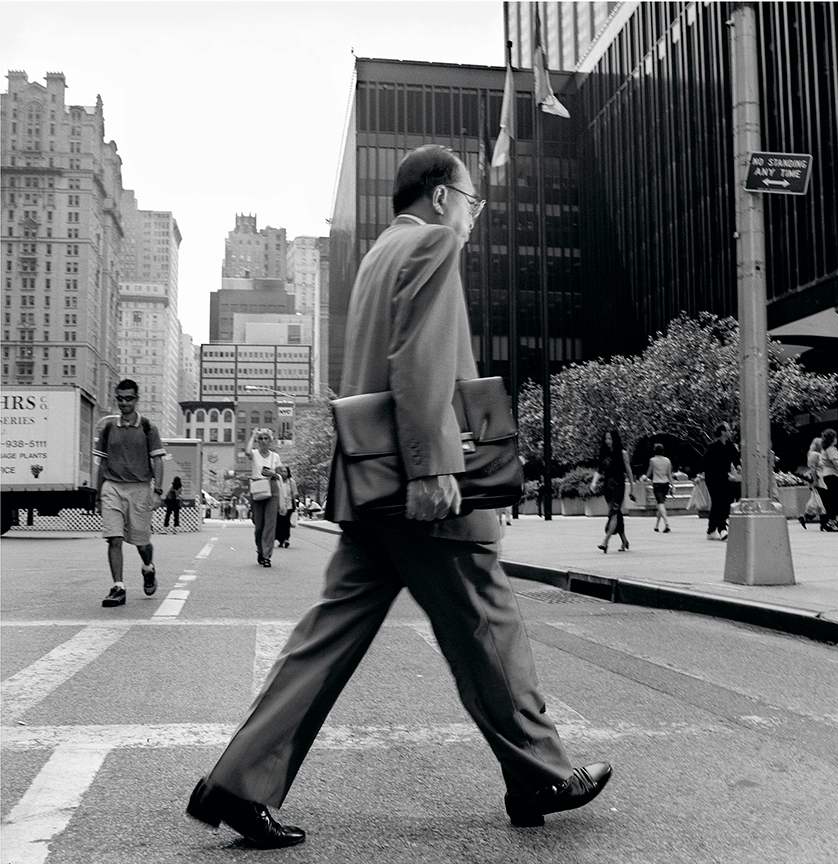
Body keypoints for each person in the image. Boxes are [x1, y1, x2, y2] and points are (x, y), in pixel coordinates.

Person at [187, 146, 608, 849]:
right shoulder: (435, 244)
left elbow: (380, 364)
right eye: (473, 202)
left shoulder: (379, 255)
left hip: (370, 483)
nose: (474, 217)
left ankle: (237, 783)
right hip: (422, 481)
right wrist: (432, 467)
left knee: (327, 638)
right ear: (443, 197)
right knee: (487, 623)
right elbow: (420, 359)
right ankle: (540, 772)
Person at [91, 378, 166, 607]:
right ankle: (118, 587)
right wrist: (97, 494)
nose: (124, 403)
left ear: (137, 399)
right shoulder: (108, 428)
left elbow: (158, 461)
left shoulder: (148, 428)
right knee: (114, 538)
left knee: (142, 543)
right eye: (120, 399)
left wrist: (158, 492)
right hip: (112, 486)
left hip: (140, 489)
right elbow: (101, 464)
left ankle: (148, 567)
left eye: (129, 399)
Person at [244, 429, 283, 567]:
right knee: (259, 525)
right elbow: (247, 452)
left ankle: (267, 556)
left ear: (270, 441)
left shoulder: (275, 457)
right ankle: (260, 550)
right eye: (261, 438)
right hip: (257, 488)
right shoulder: (254, 454)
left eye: (266, 438)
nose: (264, 441)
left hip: (272, 489)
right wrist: (253, 435)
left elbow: (281, 475)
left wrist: (273, 473)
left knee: (270, 525)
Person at [592, 429, 631, 553]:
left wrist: (632, 488)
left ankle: (605, 541)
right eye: (606, 438)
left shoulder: (622, 453)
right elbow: (599, 469)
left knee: (613, 513)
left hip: (618, 485)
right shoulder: (604, 453)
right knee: (616, 513)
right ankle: (624, 540)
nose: (608, 441)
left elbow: (628, 471)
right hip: (607, 486)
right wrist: (594, 482)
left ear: (615, 439)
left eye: (610, 438)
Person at [701, 422, 740, 541]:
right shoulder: (712, 447)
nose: (730, 432)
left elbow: (736, 458)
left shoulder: (730, 445)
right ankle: (722, 529)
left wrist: (738, 466)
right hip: (712, 478)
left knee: (724, 501)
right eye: (728, 430)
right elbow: (705, 462)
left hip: (723, 477)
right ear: (723, 432)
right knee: (718, 501)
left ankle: (711, 530)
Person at [817, 429, 838, 532]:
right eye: (835, 437)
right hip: (833, 476)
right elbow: (836, 463)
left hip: (830, 476)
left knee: (834, 499)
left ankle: (834, 522)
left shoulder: (825, 449)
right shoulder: (831, 449)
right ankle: (832, 522)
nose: (836, 439)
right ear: (832, 439)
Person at [645, 442, 673, 534]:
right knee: (660, 505)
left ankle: (667, 524)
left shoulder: (652, 460)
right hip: (666, 483)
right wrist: (672, 485)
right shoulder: (667, 460)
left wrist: (644, 478)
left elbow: (649, 472)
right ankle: (656, 526)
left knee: (660, 504)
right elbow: (669, 474)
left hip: (657, 484)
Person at [800, 437, 825, 529]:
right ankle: (822, 523)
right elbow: (813, 469)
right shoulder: (814, 454)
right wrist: (815, 481)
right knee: (821, 501)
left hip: (819, 479)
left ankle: (806, 517)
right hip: (818, 479)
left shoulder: (814, 454)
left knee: (817, 501)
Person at [274, 466, 295, 549]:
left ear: (288, 473)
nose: (283, 473)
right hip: (278, 505)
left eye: (285, 471)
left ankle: (286, 539)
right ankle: (280, 540)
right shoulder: (277, 481)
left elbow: (295, 493)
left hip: (289, 504)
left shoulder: (291, 482)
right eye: (281, 471)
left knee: (286, 522)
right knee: (279, 522)